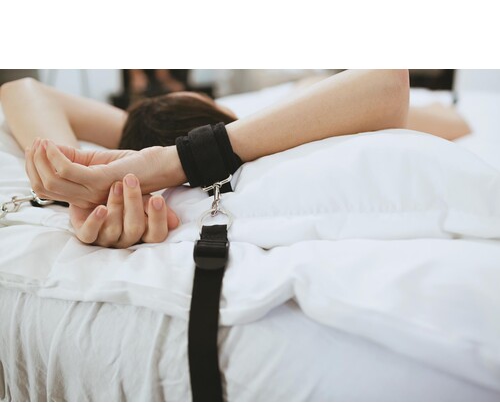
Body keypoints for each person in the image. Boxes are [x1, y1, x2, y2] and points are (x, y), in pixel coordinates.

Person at [0, 70, 470, 249]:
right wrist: (83, 185)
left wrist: (71, 175)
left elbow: (22, 89)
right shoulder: (160, 131)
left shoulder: (166, 143)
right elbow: (432, 110)